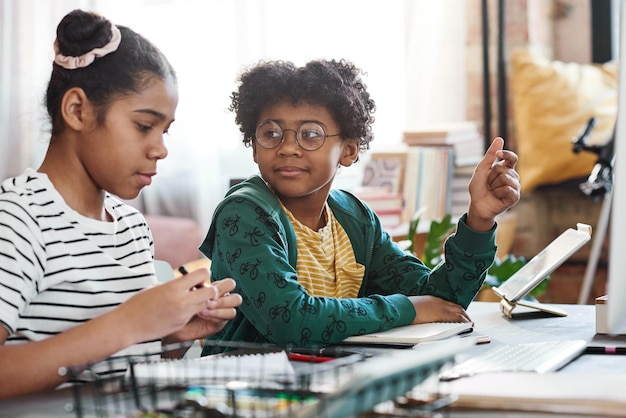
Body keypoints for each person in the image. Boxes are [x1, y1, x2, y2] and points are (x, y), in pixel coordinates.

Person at [199, 58, 520, 354]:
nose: (287, 148)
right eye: (271, 133)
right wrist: (408, 309)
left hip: (331, 383)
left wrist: (479, 218)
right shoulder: (243, 215)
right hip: (242, 393)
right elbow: (290, 320)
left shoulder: (354, 219)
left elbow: (440, 302)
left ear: (349, 151)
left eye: (310, 134)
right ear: (254, 147)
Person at [0, 9, 242, 399]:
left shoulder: (131, 227)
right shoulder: (18, 218)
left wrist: (169, 336)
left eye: (165, 131)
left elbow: (117, 366)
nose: (161, 149)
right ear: (77, 110)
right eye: (144, 126)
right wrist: (130, 323)